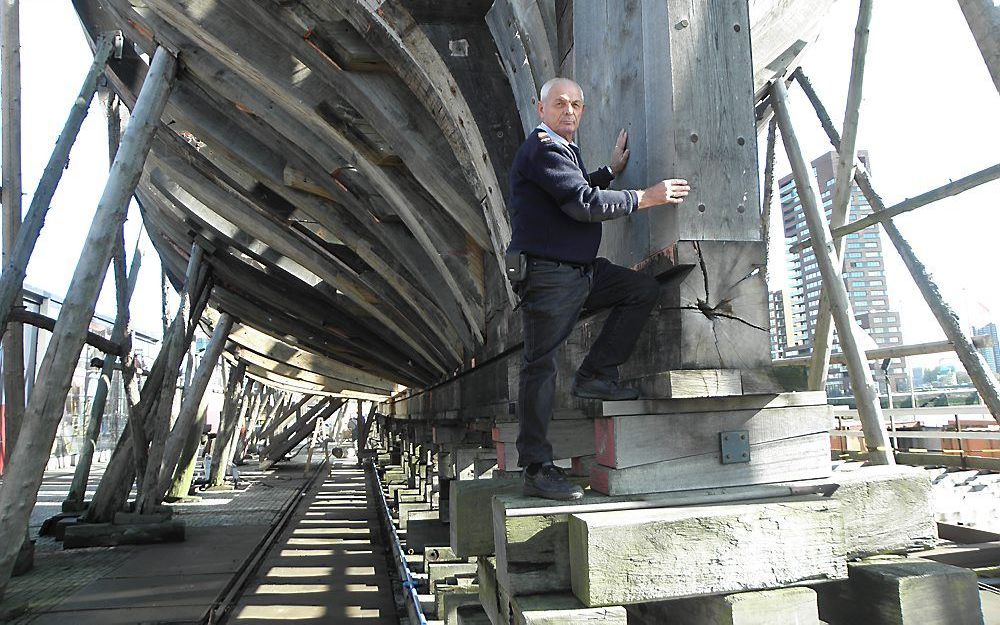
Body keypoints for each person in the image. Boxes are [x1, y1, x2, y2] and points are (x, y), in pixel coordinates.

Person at [507, 77, 690, 500]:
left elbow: (572, 190)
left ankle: (594, 375)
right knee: (541, 367)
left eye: (575, 104)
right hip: (549, 277)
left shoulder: (561, 149)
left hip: (580, 271)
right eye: (559, 104)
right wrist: (646, 196)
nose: (568, 110)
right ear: (541, 109)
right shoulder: (543, 146)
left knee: (640, 290)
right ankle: (535, 467)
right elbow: (582, 204)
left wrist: (608, 172)